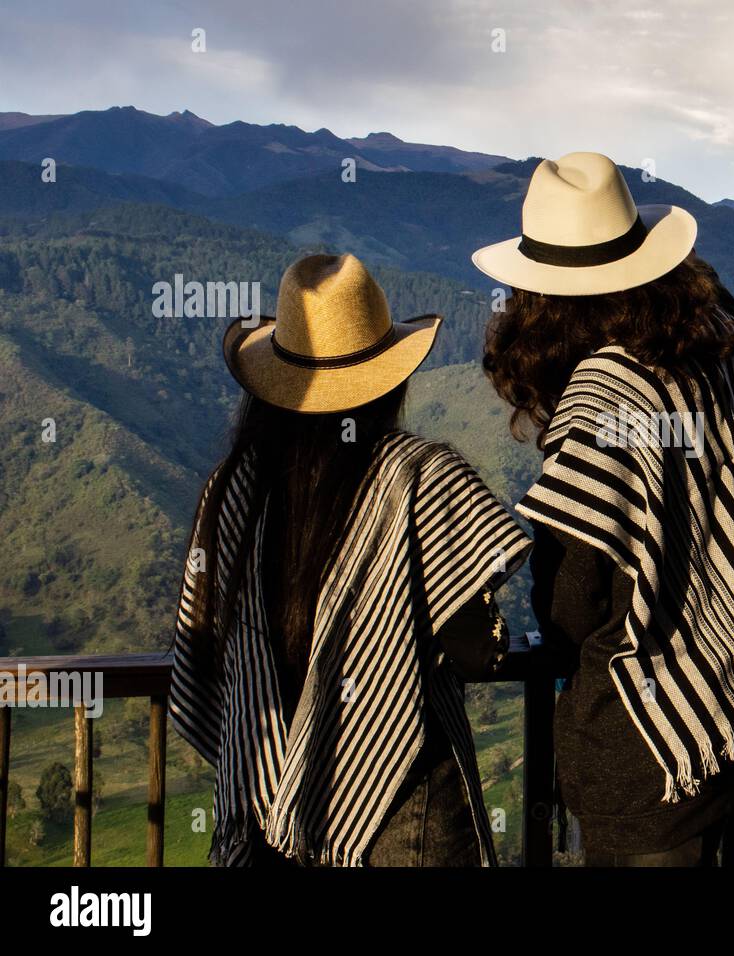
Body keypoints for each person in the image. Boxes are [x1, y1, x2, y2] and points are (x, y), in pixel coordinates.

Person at [476, 152, 734, 866]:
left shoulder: (604, 390)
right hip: (727, 706)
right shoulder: (711, 351)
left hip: (644, 745)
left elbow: (576, 596)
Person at [169, 253, 530, 867]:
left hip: (266, 819)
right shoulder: (419, 477)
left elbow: (199, 652)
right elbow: (476, 647)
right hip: (406, 807)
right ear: (390, 378)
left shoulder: (230, 491)